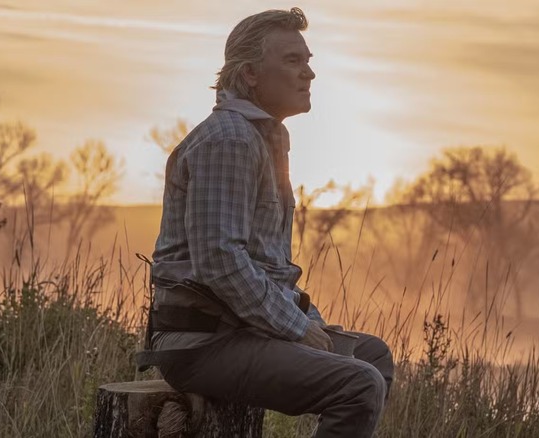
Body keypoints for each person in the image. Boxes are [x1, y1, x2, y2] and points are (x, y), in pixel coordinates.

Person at [136, 7, 394, 437]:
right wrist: (296, 328)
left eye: (308, 61)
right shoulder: (230, 140)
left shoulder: (261, 138)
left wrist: (308, 322)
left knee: (373, 356)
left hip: (238, 330)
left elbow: (262, 264)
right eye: (292, 61)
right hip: (203, 343)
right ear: (251, 74)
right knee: (358, 384)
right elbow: (219, 261)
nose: (308, 74)